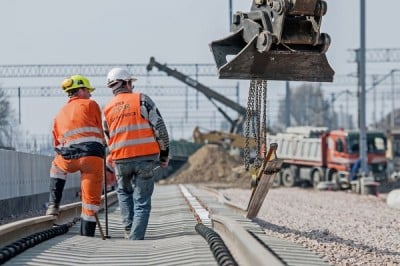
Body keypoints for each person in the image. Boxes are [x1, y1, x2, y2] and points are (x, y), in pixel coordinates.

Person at [103, 67, 170, 240]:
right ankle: (135, 238)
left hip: (120, 159)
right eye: (131, 82)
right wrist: (164, 155)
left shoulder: (107, 109)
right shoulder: (142, 100)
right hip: (145, 159)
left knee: (124, 193)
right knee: (142, 201)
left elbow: (107, 137)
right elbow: (160, 129)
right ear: (126, 83)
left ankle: (128, 229)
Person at [46, 75, 105, 237]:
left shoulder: (59, 114)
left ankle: (53, 204)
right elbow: (100, 132)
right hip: (92, 157)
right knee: (90, 203)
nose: (90, 94)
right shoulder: (91, 105)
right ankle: (87, 236)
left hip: (68, 158)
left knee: (56, 167)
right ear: (80, 90)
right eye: (88, 90)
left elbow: (56, 143)